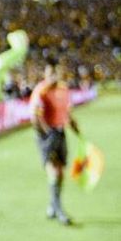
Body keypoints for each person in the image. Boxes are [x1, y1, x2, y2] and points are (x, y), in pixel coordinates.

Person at [29, 58, 80, 226]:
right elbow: (34, 118)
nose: (53, 76)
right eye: (50, 72)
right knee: (54, 172)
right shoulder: (40, 91)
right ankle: (59, 211)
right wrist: (47, 135)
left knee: (60, 173)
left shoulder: (63, 89)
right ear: (45, 74)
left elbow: (68, 114)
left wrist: (77, 131)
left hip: (60, 133)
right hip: (47, 136)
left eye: (55, 72)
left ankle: (52, 205)